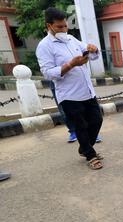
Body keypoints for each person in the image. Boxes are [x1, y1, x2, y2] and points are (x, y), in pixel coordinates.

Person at [36, 7, 104, 170]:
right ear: (49, 26)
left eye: (65, 26)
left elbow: (88, 53)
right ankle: (90, 154)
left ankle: (84, 147)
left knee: (97, 120)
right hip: (69, 95)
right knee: (80, 126)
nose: (64, 29)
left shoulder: (71, 39)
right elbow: (47, 73)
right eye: (59, 27)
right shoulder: (44, 46)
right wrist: (70, 64)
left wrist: (92, 50)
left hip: (86, 91)